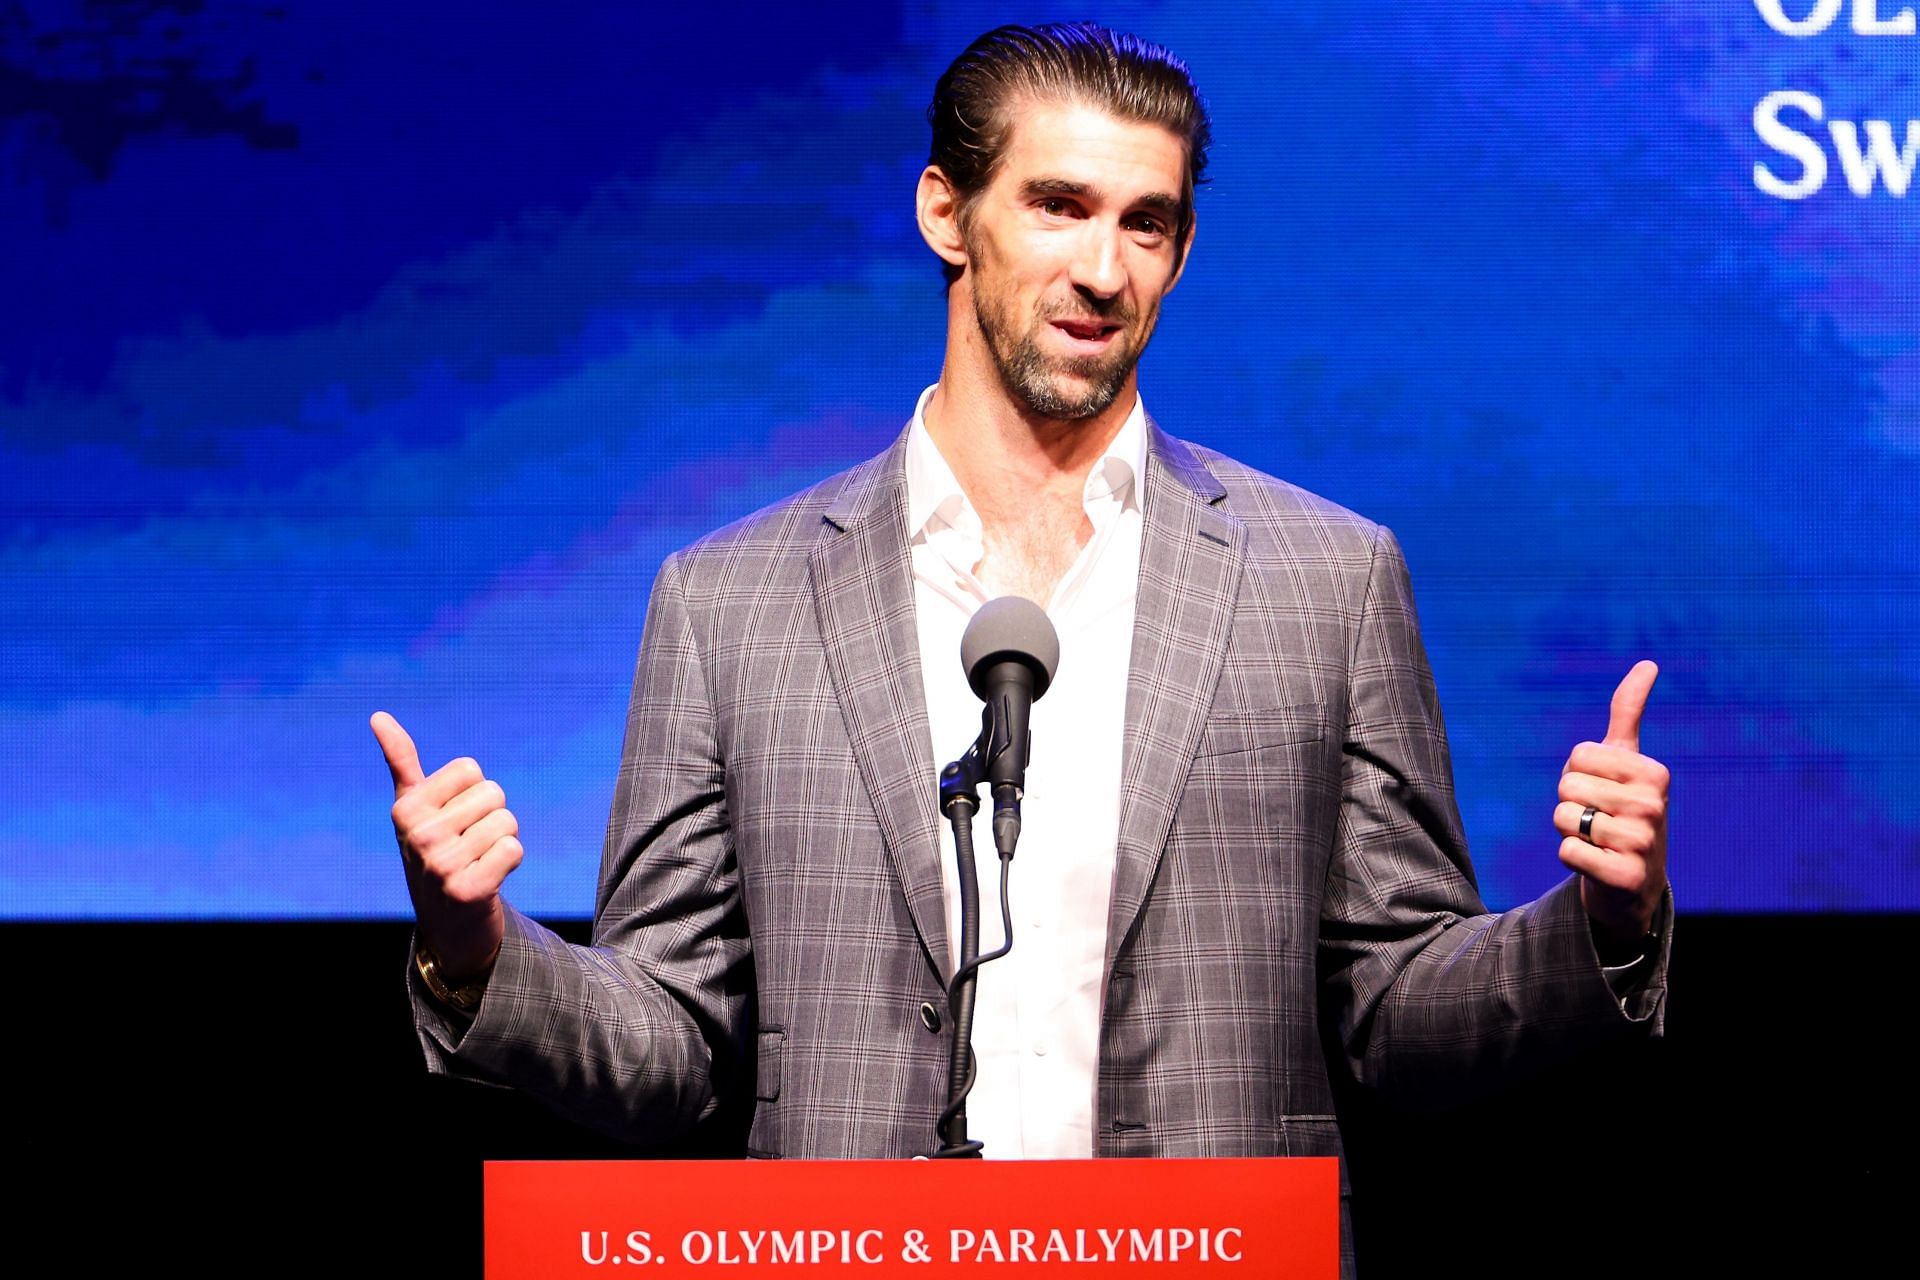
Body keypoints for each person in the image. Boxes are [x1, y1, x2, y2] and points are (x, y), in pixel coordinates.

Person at [375, 21, 1669, 1267]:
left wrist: (1598, 925)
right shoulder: (732, 600)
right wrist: (478, 946)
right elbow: (669, 1048)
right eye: (1059, 205)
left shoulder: (1323, 578)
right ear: (948, 212)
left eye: (1145, 222)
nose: (1106, 270)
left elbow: (1397, 1012)